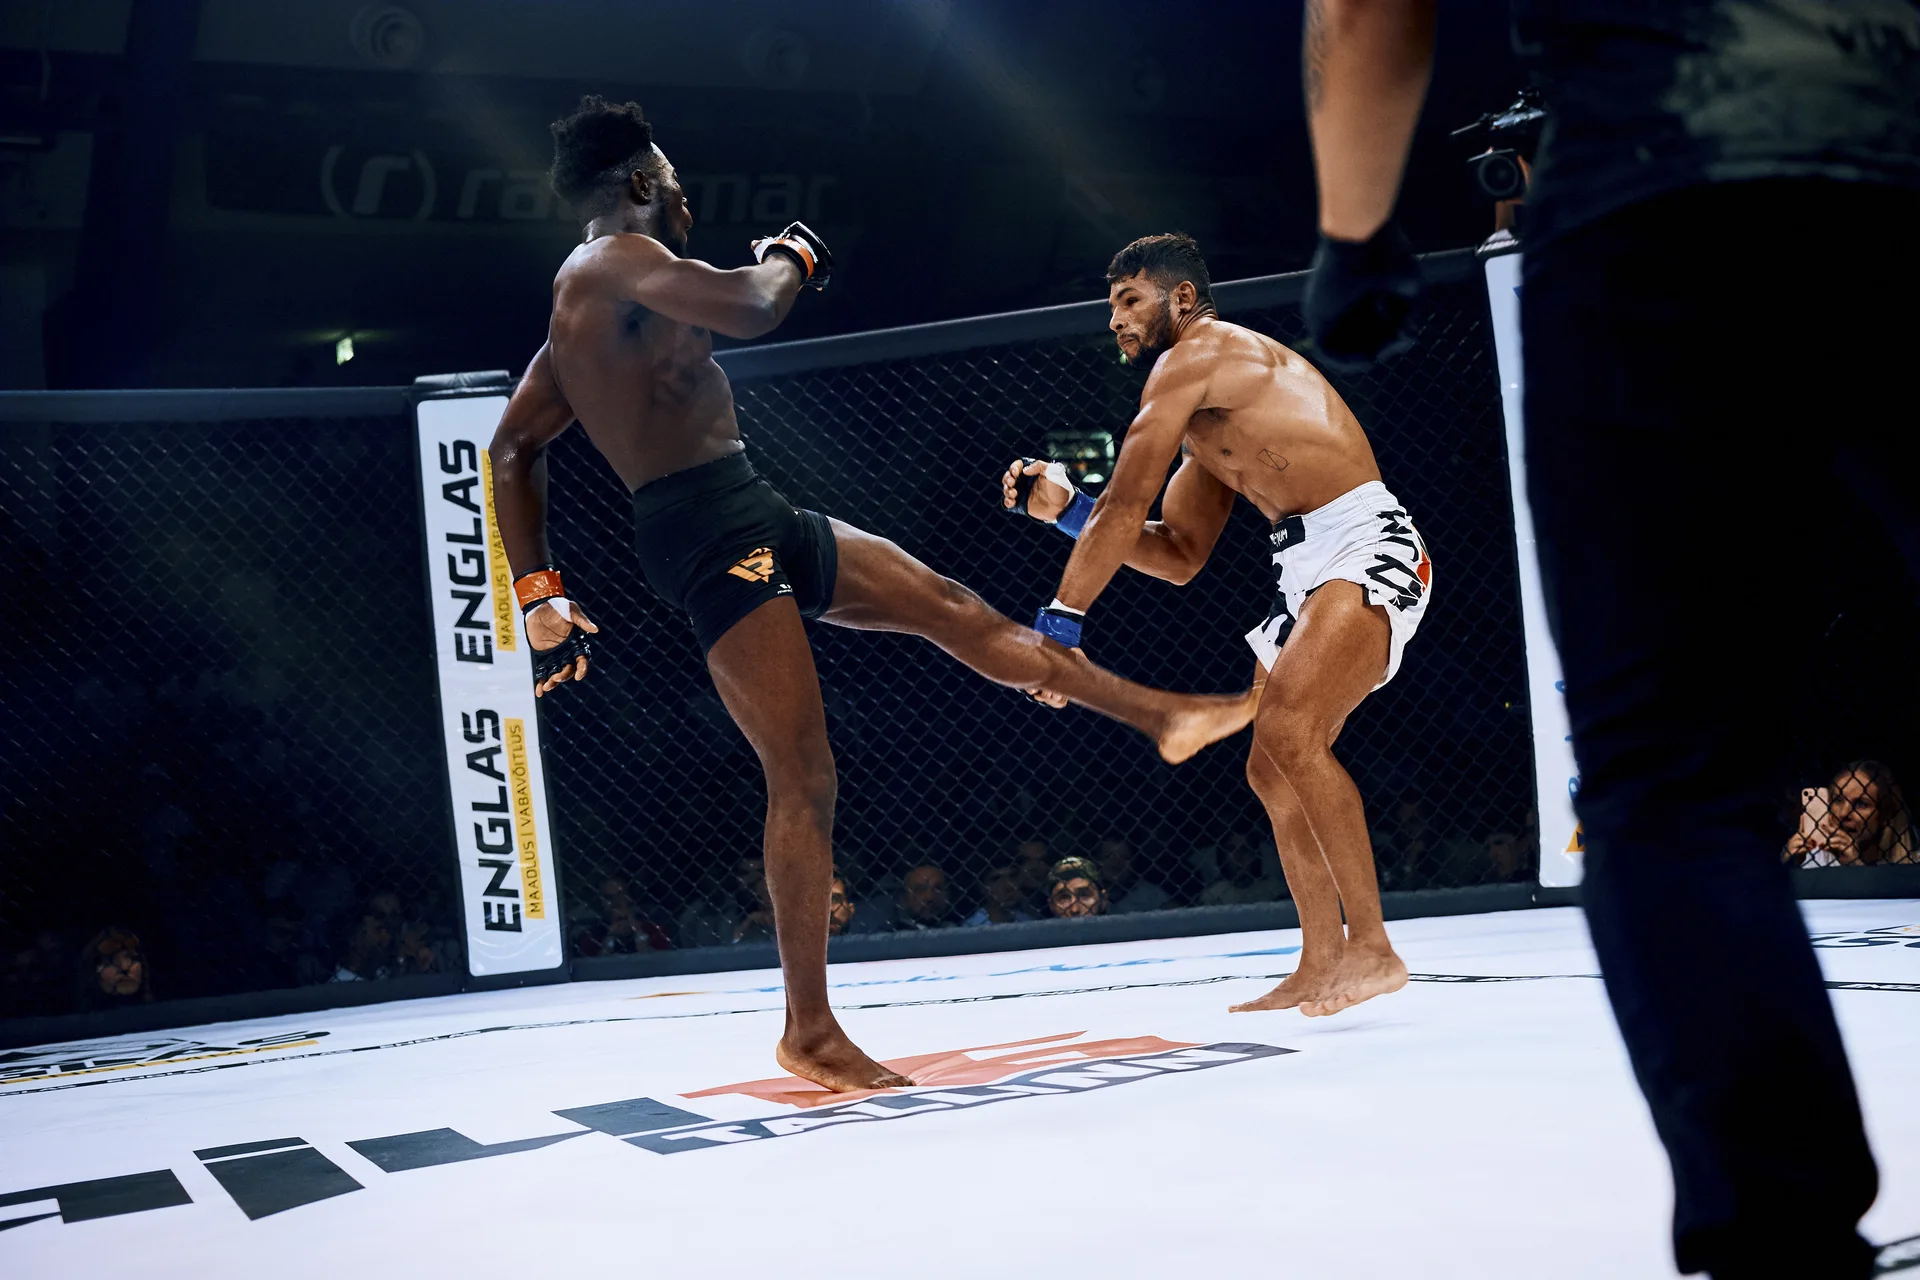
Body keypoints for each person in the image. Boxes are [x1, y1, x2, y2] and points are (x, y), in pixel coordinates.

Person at [1296, 2, 1917, 1273]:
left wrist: (1354, 232)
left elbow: (1366, 11)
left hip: (1658, 183)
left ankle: (1785, 1240)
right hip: (1896, 144)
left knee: (1669, 772)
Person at [487, 98, 1257, 1093]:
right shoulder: (612, 262)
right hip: (705, 531)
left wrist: (539, 593)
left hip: (747, 501)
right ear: (640, 183)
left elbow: (513, 446)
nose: (684, 197)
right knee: (803, 770)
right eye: (671, 180)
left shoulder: (602, 302)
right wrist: (794, 253)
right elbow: (755, 305)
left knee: (953, 607)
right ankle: (808, 1030)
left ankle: (1162, 715)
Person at [1003, 231, 1429, 1015]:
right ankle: (1320, 959)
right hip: (1301, 567)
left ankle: (1373, 947)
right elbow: (1177, 554)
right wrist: (1067, 512)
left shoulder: (1199, 356)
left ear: (1182, 298)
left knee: (1293, 734)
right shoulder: (1205, 423)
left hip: (1365, 543)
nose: (1115, 319)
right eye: (1111, 305)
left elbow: (1126, 502)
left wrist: (1060, 626)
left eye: (1130, 300)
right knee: (1269, 767)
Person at [1788, 761, 1916, 867]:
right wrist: (1787, 863)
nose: (1843, 813)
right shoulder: (1812, 859)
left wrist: (1856, 868)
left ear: (1885, 815)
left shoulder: (1911, 866)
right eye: (1838, 800)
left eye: (1861, 804)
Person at [1094, 836, 1172, 914]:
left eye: (1124, 857)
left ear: (1133, 862)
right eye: (1108, 856)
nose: (1116, 862)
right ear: (1098, 860)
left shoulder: (1149, 894)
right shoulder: (1089, 892)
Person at [963, 864, 1037, 927]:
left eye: (1012, 877)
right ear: (982, 887)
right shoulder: (972, 927)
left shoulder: (1027, 920)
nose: (1009, 886)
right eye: (996, 879)